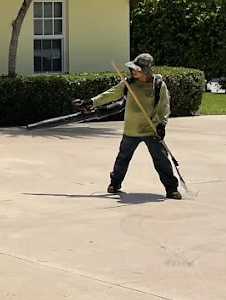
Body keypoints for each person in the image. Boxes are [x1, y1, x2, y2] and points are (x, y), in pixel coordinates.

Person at [74, 52, 180, 199]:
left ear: (146, 70)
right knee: (123, 157)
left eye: (137, 69)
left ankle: (171, 188)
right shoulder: (129, 83)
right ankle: (115, 183)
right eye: (133, 69)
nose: (134, 71)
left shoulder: (158, 85)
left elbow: (164, 107)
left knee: (161, 159)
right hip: (131, 130)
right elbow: (111, 94)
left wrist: (162, 124)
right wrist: (91, 102)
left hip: (151, 130)